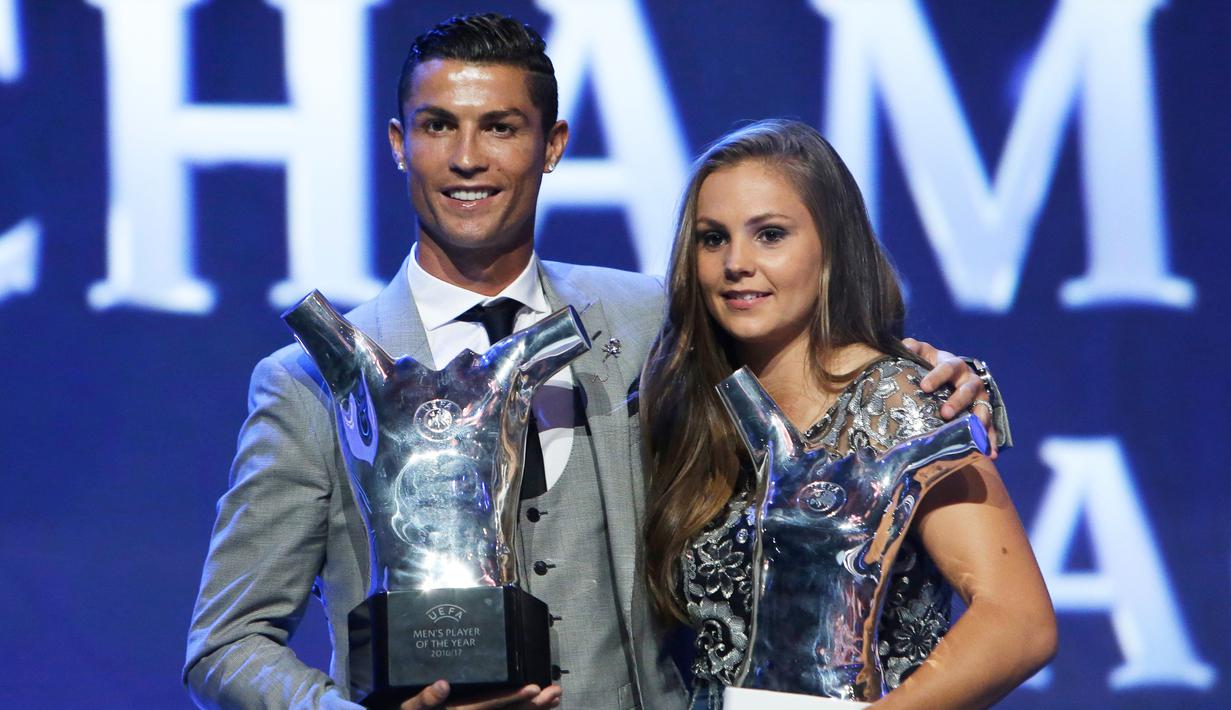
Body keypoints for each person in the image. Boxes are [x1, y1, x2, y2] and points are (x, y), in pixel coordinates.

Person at [185, 14, 1000, 710]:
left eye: (500, 126)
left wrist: (921, 379)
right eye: (438, 125)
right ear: (400, 145)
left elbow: (809, 374)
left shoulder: (652, 318)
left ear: (552, 145)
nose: (468, 157)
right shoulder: (307, 382)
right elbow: (224, 643)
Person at [640, 120, 1056, 709]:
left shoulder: (899, 400)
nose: (736, 262)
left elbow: (1018, 623)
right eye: (713, 238)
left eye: (770, 235)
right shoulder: (697, 410)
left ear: (831, 248)